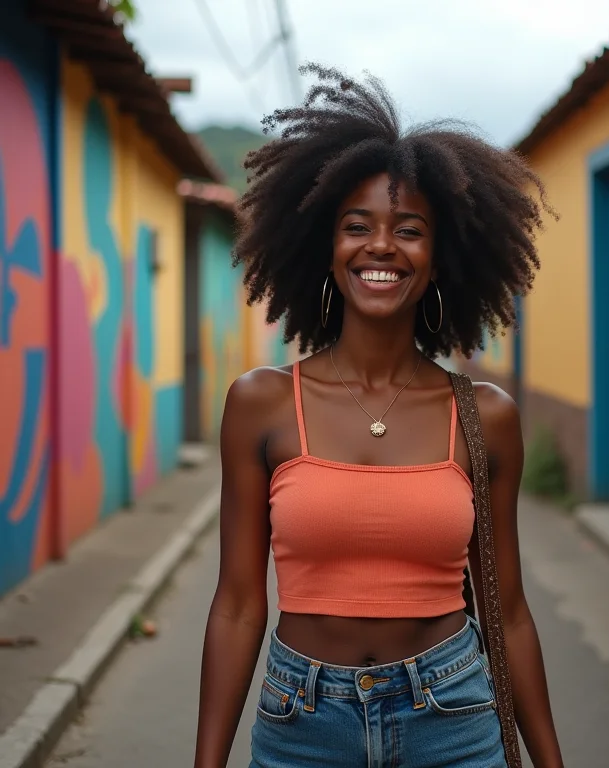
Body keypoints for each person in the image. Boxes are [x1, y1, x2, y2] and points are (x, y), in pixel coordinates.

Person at [194, 63, 563, 768]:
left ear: (441, 257)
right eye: (356, 226)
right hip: (302, 722)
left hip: (451, 717)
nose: (382, 246)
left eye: (410, 229)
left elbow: (507, 610)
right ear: (323, 248)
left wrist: (551, 762)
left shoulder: (486, 416)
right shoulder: (260, 404)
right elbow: (239, 604)